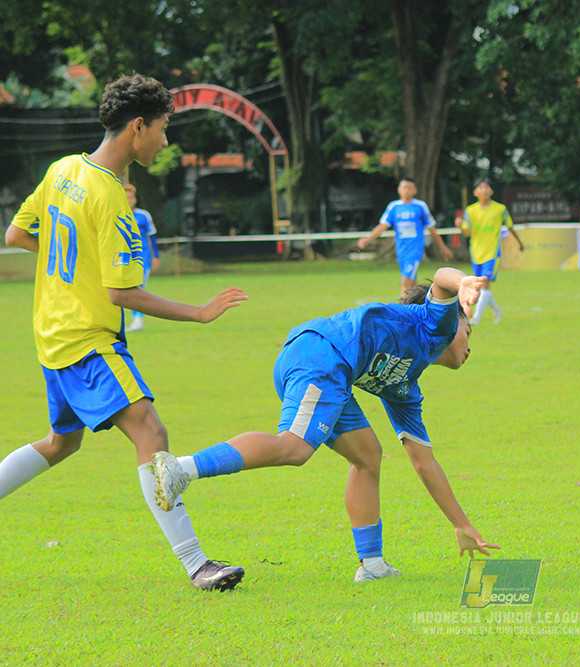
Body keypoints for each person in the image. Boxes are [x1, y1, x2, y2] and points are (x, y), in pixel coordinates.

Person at [2, 74, 249, 591]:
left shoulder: (63, 170)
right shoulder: (113, 199)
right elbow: (124, 294)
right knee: (151, 434)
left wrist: (74, 264)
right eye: (162, 128)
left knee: (61, 442)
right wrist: (199, 313)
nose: (165, 140)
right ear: (138, 127)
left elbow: (18, 233)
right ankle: (197, 564)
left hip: (51, 332)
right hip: (87, 337)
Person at [150, 266, 500, 583]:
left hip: (330, 368)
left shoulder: (404, 388)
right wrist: (464, 282)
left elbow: (424, 462)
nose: (470, 346)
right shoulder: (434, 326)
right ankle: (181, 468)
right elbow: (441, 277)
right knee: (294, 448)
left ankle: (372, 564)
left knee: (367, 456)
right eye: (468, 332)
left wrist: (461, 525)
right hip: (322, 355)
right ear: (452, 319)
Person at [358, 178, 454, 298]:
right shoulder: (394, 207)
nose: (406, 190)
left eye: (409, 188)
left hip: (415, 249)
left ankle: (402, 308)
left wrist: (442, 247)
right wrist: (368, 239)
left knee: (405, 284)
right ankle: (420, 304)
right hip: (401, 249)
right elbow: (383, 226)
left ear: (415, 190)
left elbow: (432, 229)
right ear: (399, 189)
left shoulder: (420, 206)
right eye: (404, 187)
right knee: (413, 284)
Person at [460, 178, 524, 325]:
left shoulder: (500, 209)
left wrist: (520, 243)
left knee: (485, 284)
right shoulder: (470, 210)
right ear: (475, 192)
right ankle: (498, 310)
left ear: (492, 191)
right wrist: (460, 226)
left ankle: (476, 318)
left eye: (487, 187)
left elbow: (510, 226)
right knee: (480, 286)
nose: (484, 190)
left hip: (492, 253)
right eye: (481, 188)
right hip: (476, 253)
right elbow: (466, 233)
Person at [123, 184, 160, 332]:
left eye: (132, 197)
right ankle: (137, 320)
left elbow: (152, 236)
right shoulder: (118, 215)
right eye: (126, 198)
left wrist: (156, 256)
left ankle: (138, 320)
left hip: (143, 258)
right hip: (125, 259)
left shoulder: (144, 215)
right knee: (128, 289)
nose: (130, 200)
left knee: (137, 288)